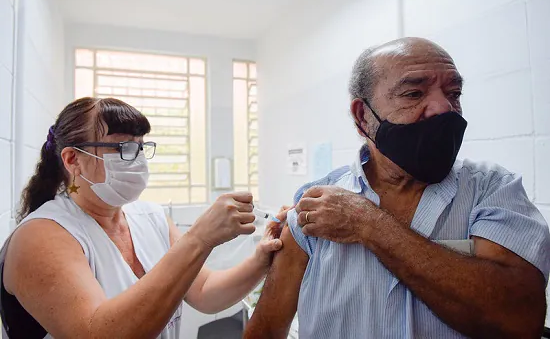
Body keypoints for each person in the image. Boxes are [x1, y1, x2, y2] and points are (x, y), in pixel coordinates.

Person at [244, 37, 550, 339]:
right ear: (363, 116)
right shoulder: (315, 207)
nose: (444, 108)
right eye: (414, 93)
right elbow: (266, 330)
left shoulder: (493, 190)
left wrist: (369, 223)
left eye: (454, 92)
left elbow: (520, 322)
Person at [0, 97, 282, 339]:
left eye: (140, 146)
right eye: (122, 147)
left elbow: (205, 291)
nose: (138, 160)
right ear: (73, 159)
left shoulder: (151, 217)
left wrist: (261, 259)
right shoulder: (41, 236)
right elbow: (97, 333)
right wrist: (199, 238)